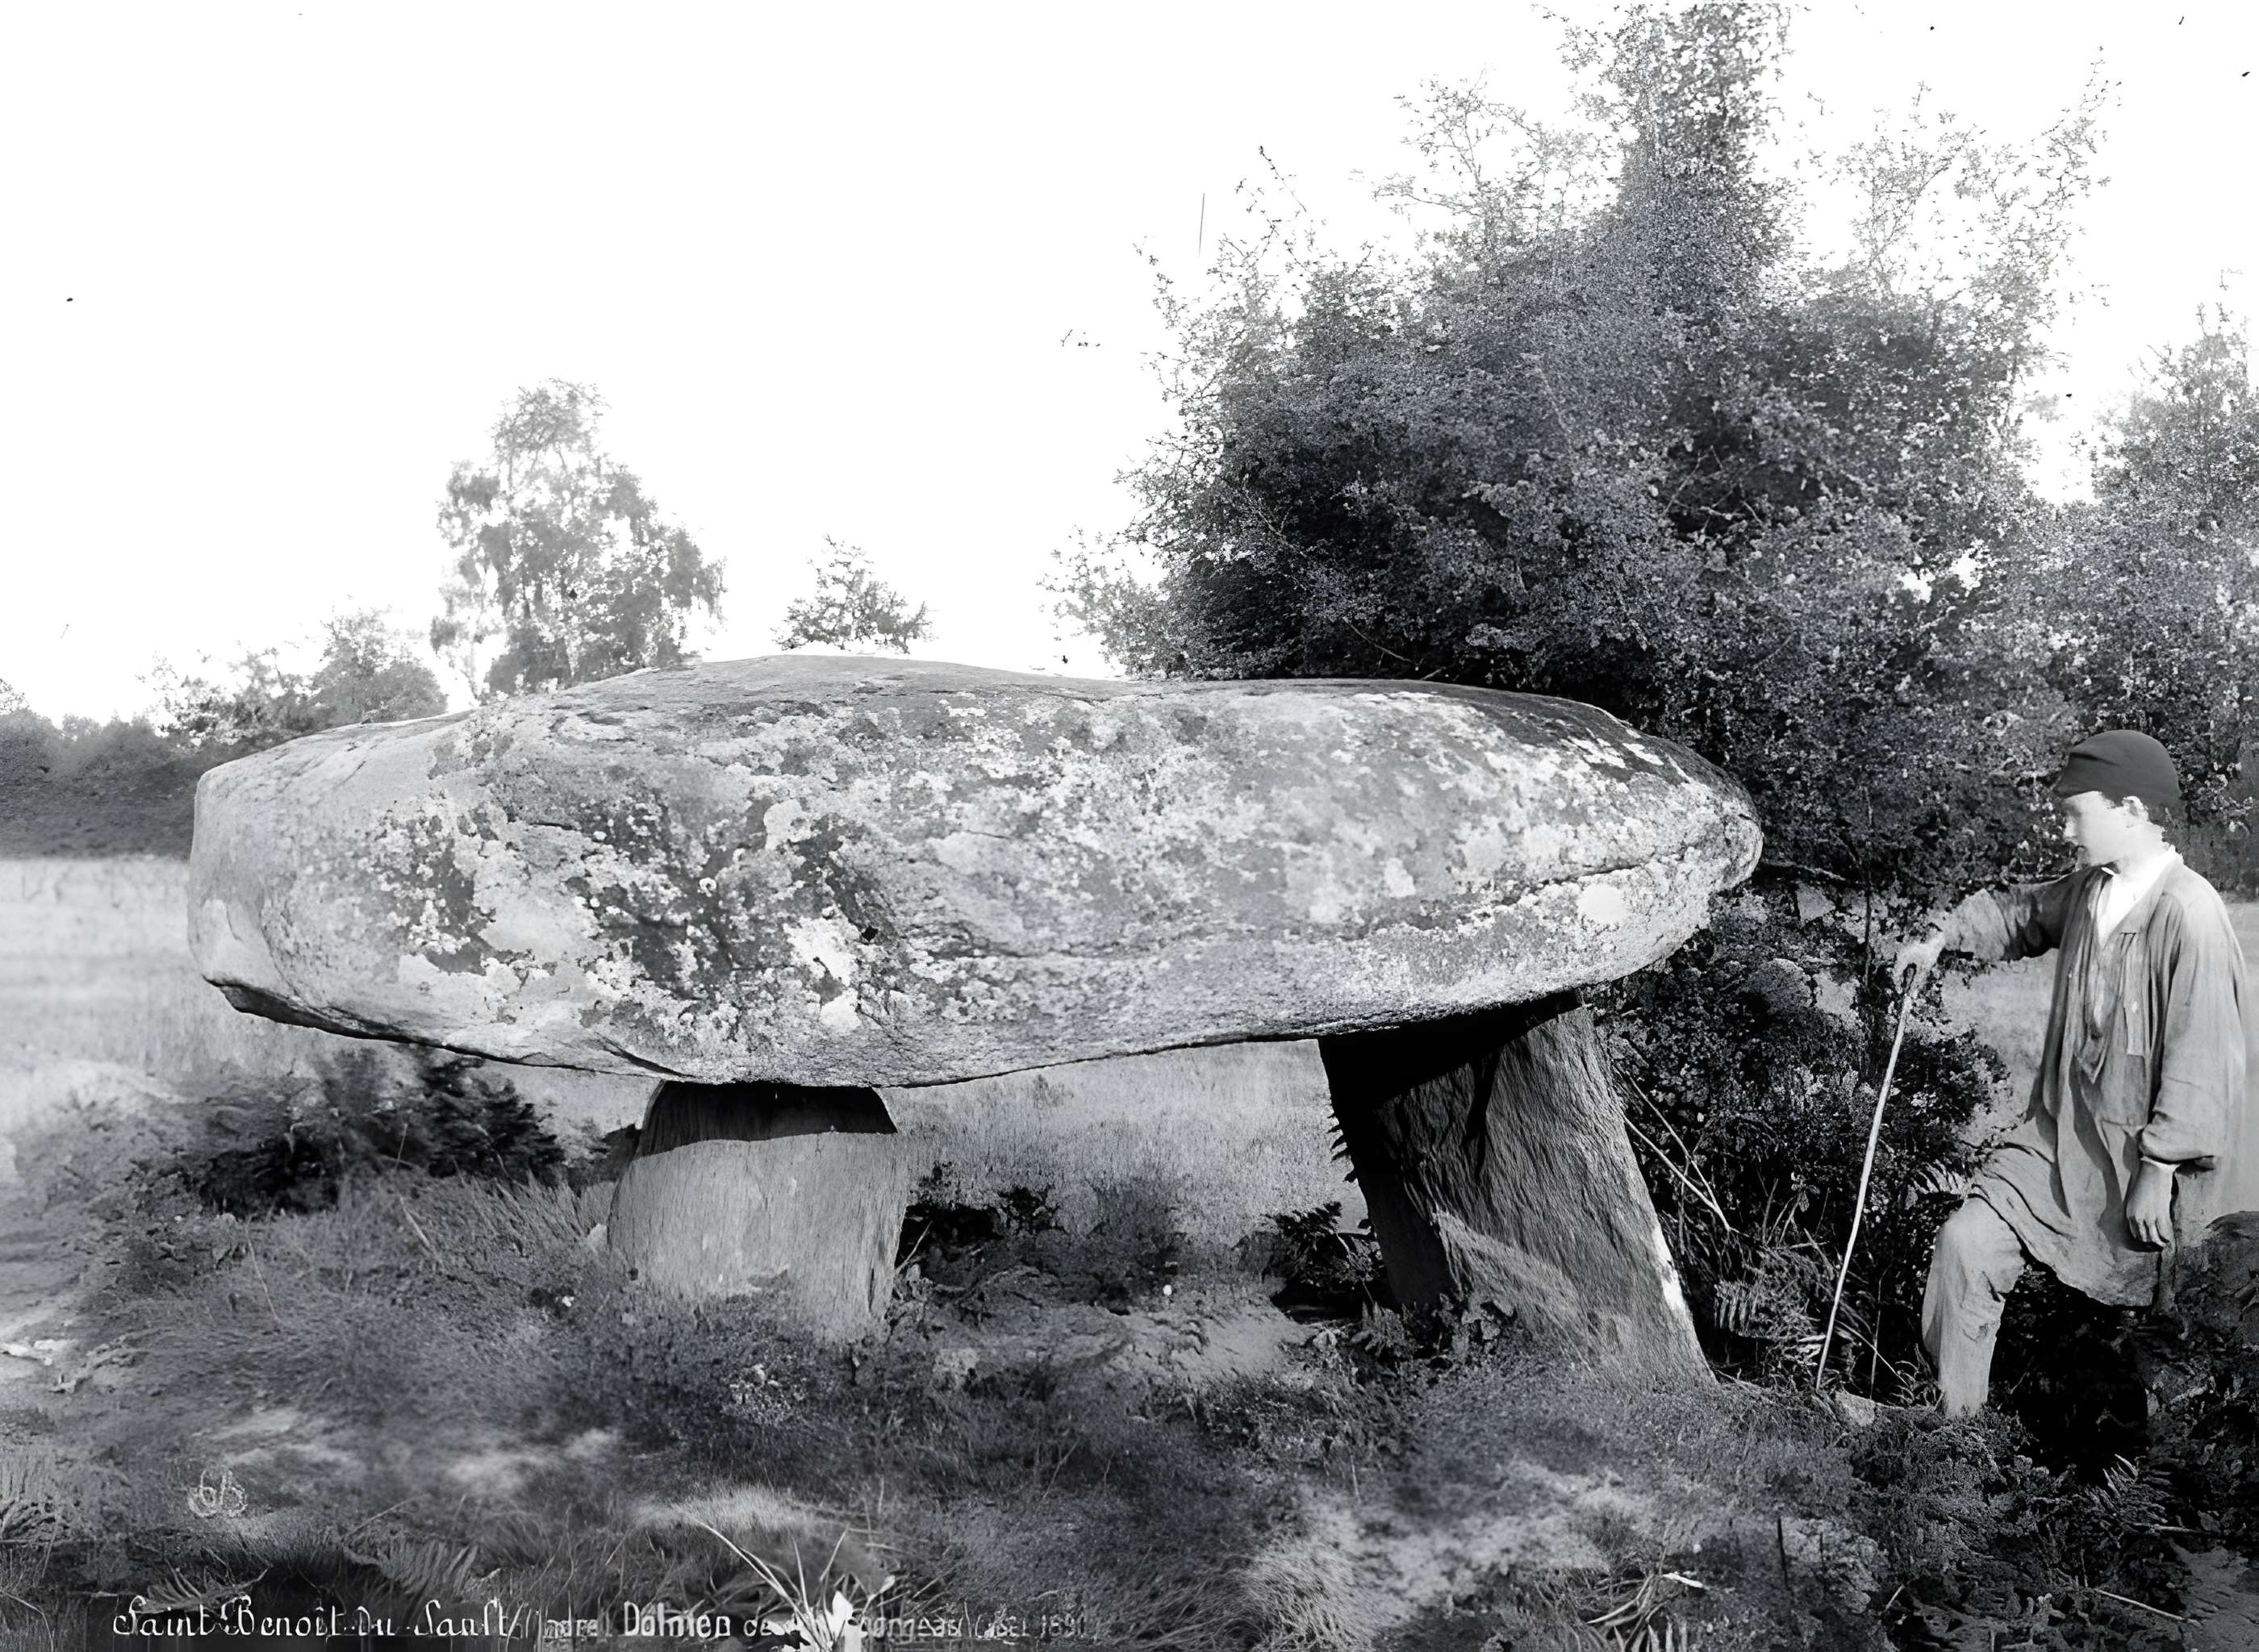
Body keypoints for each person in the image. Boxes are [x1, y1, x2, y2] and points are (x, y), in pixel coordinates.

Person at [1894, 729, 2258, 1416]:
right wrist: (1941, 937)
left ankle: (2157, 1499)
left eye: (2076, 811)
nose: (2065, 828)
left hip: (2148, 1167)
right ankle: (1955, 1436)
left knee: (2177, 1345)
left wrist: (2158, 1171)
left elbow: (2204, 1058)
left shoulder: (2190, 914)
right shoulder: (2094, 889)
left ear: (2130, 810)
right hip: (2062, 1134)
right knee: (1968, 1241)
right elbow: (2022, 912)